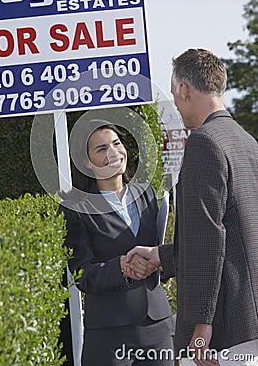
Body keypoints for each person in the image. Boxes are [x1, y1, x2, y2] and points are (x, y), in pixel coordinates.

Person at [125, 48, 258, 365]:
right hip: (248, 322)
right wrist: (160, 256)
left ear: (184, 89)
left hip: (220, 332)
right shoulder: (248, 143)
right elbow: (235, 234)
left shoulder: (204, 142)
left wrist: (202, 325)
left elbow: (208, 240)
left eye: (174, 92)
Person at [59, 118, 174, 366]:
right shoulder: (76, 209)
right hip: (109, 334)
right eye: (101, 149)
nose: (113, 152)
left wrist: (160, 261)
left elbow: (162, 258)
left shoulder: (148, 195)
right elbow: (82, 274)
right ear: (86, 162)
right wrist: (122, 266)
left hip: (157, 326)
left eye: (116, 143)